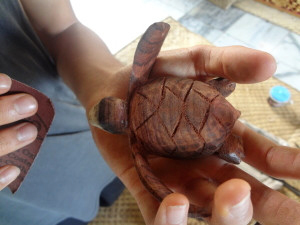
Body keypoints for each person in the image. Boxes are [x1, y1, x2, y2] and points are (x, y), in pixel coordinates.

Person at [0, 0, 299, 225]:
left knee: (226, 154)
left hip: (86, 134)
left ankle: (226, 140)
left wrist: (99, 84)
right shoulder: (139, 95)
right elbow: (148, 50)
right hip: (29, 201)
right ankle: (226, 139)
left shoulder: (137, 145)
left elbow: (62, 28)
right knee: (69, 212)